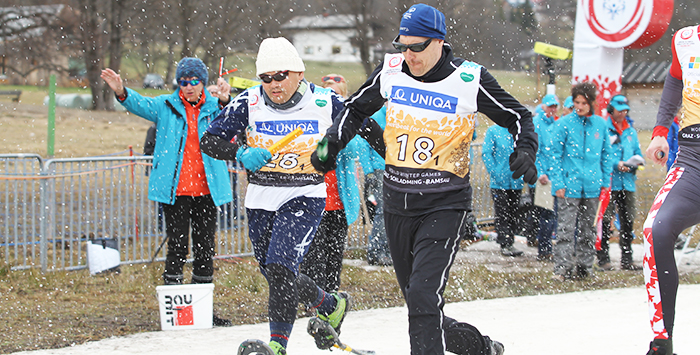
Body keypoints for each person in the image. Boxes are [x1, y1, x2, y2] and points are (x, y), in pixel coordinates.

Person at [310, 4, 538, 354]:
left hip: (444, 204)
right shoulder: (391, 70)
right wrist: (330, 144)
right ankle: (481, 348)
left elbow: (517, 115)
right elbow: (354, 108)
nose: (408, 55)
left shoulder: (469, 79)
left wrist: (525, 149)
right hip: (398, 203)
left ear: (439, 42)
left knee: (422, 296)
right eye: (402, 45)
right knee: (422, 306)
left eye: (417, 47)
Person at [199, 37, 350, 355]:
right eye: (265, 78)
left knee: (281, 267)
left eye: (279, 76)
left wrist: (394, 165)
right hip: (261, 198)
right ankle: (329, 304)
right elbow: (209, 141)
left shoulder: (324, 102)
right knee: (276, 273)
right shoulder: (249, 102)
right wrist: (241, 152)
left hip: (305, 194)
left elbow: (364, 126)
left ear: (298, 72)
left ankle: (277, 346)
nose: (273, 84)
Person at [100, 58, 234, 326]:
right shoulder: (165, 105)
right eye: (183, 82)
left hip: (208, 191)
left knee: (205, 249)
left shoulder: (215, 106)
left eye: (194, 82)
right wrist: (120, 91)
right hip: (175, 192)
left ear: (202, 82)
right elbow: (139, 104)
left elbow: (233, 123)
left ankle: (203, 311)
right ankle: (174, 312)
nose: (188, 87)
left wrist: (225, 99)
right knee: (177, 247)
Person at [643, 24, 700, 355]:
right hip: (692, 162)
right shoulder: (686, 40)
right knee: (655, 229)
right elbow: (675, 82)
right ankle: (662, 342)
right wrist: (661, 130)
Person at [549, 82, 613, 281]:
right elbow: (554, 155)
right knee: (565, 230)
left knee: (589, 230)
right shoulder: (564, 124)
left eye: (583, 103)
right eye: (576, 102)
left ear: (591, 103)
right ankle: (562, 268)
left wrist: (604, 179)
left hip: (593, 186)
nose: (579, 106)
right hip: (569, 186)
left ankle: (585, 267)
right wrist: (558, 182)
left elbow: (606, 154)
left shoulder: (601, 125)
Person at [298, 73, 351, 292]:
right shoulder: (313, 120)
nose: (333, 101)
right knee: (314, 254)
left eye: (337, 95)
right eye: (330, 95)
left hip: (339, 201)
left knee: (334, 253)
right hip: (314, 198)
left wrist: (339, 132)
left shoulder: (348, 124)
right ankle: (316, 299)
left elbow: (352, 149)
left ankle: (333, 296)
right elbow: (314, 152)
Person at [596, 94, 643, 271]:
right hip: (610, 182)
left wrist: (635, 162)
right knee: (606, 220)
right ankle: (603, 258)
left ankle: (627, 258)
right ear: (611, 110)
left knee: (627, 220)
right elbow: (602, 154)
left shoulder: (630, 131)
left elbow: (638, 152)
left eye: (625, 110)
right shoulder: (604, 130)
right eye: (619, 109)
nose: (622, 113)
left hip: (628, 182)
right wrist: (617, 164)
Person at [482, 124, 525, 257]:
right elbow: (486, 153)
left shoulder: (519, 130)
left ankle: (510, 240)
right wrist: (495, 172)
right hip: (499, 182)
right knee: (502, 212)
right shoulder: (493, 131)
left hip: (516, 180)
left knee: (513, 212)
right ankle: (504, 242)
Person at [532, 94, 559, 261]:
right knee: (545, 213)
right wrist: (539, 171)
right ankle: (543, 248)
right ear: (543, 107)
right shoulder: (537, 124)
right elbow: (535, 150)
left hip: (553, 176)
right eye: (550, 106)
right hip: (542, 178)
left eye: (555, 106)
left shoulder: (556, 125)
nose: (553, 109)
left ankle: (546, 246)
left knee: (551, 214)